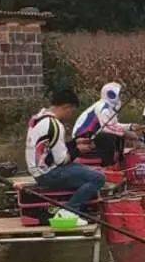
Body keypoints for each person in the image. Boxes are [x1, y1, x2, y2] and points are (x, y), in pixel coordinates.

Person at [24, 89, 106, 218]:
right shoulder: (55, 125)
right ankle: (70, 211)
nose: (71, 115)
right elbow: (61, 160)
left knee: (86, 171)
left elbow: (50, 150)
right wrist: (79, 150)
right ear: (66, 107)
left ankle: (73, 208)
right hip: (48, 175)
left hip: (39, 170)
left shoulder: (38, 118)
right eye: (72, 111)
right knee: (98, 178)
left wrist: (75, 143)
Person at [73, 80, 129, 166]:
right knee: (108, 136)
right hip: (83, 136)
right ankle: (107, 164)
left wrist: (127, 129)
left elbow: (114, 125)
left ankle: (119, 160)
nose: (121, 96)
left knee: (118, 134)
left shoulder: (110, 107)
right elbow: (108, 127)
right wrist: (129, 128)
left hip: (94, 134)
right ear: (111, 94)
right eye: (119, 94)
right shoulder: (103, 108)